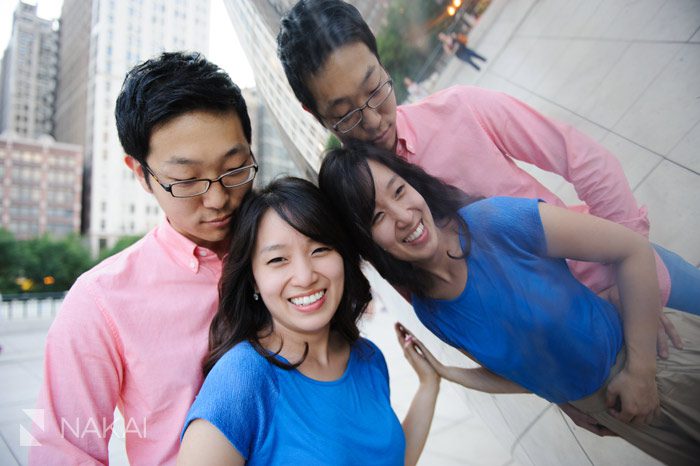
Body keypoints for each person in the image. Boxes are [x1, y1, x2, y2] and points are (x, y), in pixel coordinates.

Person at [276, 0, 700, 336]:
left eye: (375, 90)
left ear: (381, 61)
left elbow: (581, 158)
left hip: (621, 270)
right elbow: (441, 305)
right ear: (314, 114)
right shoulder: (358, 212)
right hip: (575, 346)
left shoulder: (462, 109)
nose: (372, 121)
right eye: (345, 115)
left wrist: (633, 276)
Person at [318, 143, 700, 465]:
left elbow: (632, 250)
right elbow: (522, 373)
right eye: (377, 216)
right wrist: (445, 373)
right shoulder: (430, 311)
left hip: (659, 366)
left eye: (399, 190)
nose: (403, 216)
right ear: (366, 242)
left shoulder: (497, 222)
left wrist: (642, 371)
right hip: (623, 415)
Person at [29, 52, 258, 465]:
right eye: (187, 180)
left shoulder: (287, 248)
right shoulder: (101, 302)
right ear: (141, 173)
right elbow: (64, 450)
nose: (219, 198)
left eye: (235, 168)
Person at [177, 177, 440, 466]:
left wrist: (429, 385)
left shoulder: (369, 359)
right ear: (253, 279)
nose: (305, 276)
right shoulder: (241, 378)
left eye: (320, 250)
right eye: (278, 260)